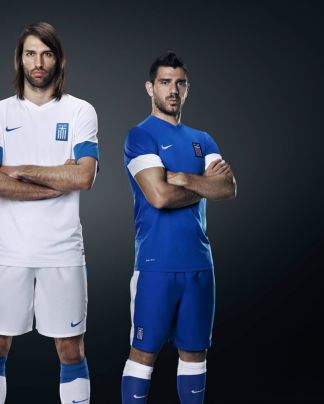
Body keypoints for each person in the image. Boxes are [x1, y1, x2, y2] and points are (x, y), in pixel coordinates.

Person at [0, 22, 99, 404]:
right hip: (8, 252)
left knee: (71, 350)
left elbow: (84, 176)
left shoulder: (80, 111)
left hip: (63, 252)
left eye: (46, 53)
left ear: (59, 60)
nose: (39, 62)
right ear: (20, 59)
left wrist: (20, 170)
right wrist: (57, 181)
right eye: (31, 53)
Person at [121, 52, 236, 403]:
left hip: (200, 264)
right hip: (156, 265)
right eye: (165, 82)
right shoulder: (140, 136)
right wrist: (204, 185)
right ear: (150, 87)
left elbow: (228, 187)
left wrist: (184, 178)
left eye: (180, 83)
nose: (173, 90)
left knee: (195, 355)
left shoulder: (203, 139)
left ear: (187, 88)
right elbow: (159, 197)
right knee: (143, 355)